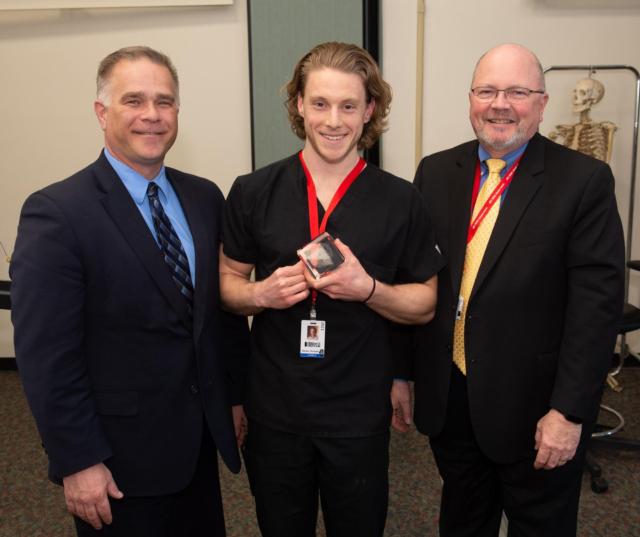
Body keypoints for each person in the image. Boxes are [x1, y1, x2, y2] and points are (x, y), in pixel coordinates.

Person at [10, 46, 249, 537]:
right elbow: (46, 355)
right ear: (102, 112)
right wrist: (77, 459)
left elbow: (217, 315)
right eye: (133, 101)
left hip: (198, 447)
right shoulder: (57, 213)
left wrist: (234, 397)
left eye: (165, 102)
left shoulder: (204, 196)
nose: (152, 116)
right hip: (117, 463)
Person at [219, 41, 443, 537]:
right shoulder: (253, 191)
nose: (333, 120)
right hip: (275, 408)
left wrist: (369, 289)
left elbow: (425, 303)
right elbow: (225, 286)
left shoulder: (401, 200)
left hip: (358, 410)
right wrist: (261, 295)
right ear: (299, 104)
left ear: (370, 110)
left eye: (348, 105)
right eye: (320, 103)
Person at [405, 43, 625, 537]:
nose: (499, 103)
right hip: (452, 400)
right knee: (462, 521)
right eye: (487, 90)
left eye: (517, 92)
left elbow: (596, 309)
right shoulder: (435, 172)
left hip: (537, 411)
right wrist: (402, 373)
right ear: (470, 99)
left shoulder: (583, 181)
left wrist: (568, 412)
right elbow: (416, 279)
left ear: (542, 103)